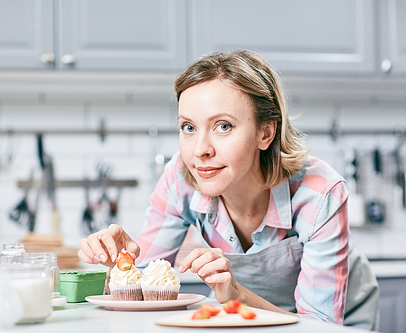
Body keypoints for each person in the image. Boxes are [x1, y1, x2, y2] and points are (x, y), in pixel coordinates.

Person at [78, 50, 379, 330]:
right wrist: (122, 265)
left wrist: (236, 295)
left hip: (338, 320)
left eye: (223, 126)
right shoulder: (179, 178)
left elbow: (318, 326)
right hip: (249, 317)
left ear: (266, 132)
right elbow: (144, 291)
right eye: (188, 127)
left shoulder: (320, 192)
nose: (200, 150)